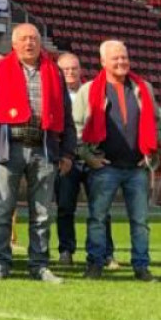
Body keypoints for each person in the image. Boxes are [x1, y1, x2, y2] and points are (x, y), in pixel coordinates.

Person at [0, 24, 75, 283]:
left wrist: (67, 152)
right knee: (1, 209)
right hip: (8, 149)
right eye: (24, 39)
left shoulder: (53, 70)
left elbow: (66, 114)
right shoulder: (0, 69)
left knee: (42, 212)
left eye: (34, 38)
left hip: (44, 150)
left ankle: (39, 265)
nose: (29, 43)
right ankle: (1, 263)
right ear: (14, 43)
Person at [71, 40, 158, 282]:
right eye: (115, 58)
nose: (121, 62)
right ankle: (95, 264)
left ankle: (141, 266)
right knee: (97, 218)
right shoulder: (88, 90)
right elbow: (75, 128)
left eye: (124, 57)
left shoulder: (144, 88)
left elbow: (156, 126)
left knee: (140, 221)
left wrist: (151, 154)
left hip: (136, 168)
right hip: (104, 168)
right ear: (103, 62)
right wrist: (88, 157)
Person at [54, 52, 113, 267]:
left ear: (81, 70)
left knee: (100, 209)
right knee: (65, 207)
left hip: (93, 159)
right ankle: (66, 251)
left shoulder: (94, 92)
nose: (70, 73)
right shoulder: (53, 93)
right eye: (65, 69)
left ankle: (106, 253)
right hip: (66, 159)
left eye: (74, 68)